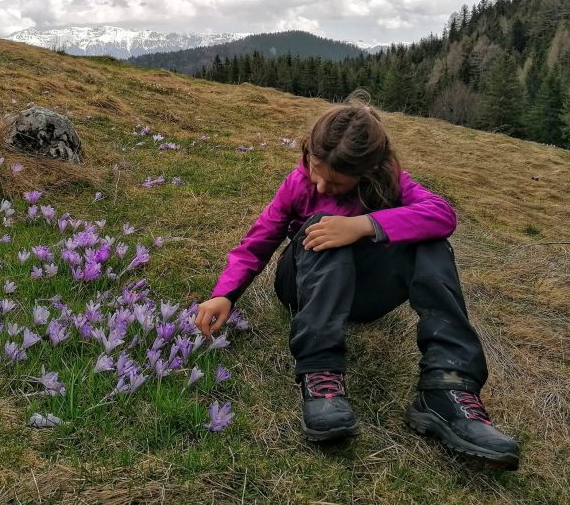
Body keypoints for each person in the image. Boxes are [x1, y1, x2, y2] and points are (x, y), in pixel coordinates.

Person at [194, 93, 520, 470]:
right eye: (315, 169)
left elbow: (442, 214)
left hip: (359, 296)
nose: (318, 186)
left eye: (335, 183)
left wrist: (364, 225)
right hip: (302, 286)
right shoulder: (297, 183)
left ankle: (448, 387)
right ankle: (320, 374)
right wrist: (225, 294)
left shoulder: (392, 183)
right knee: (322, 225)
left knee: (431, 243)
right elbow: (257, 242)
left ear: (367, 174)